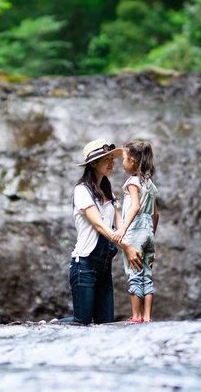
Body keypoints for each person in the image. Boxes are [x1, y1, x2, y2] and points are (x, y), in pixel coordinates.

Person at [61, 139, 143, 324]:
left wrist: (140, 246)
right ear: (93, 163)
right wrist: (126, 249)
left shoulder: (107, 191)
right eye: (106, 159)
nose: (111, 163)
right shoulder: (82, 191)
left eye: (112, 159)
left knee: (105, 323)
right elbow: (99, 226)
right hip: (85, 267)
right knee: (82, 321)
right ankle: (51, 325)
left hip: (105, 269)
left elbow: (120, 224)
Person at [111, 141, 159, 323]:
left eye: (123, 159)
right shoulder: (149, 182)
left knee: (134, 273)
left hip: (135, 230)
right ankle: (147, 317)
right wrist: (151, 237)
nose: (121, 163)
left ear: (132, 161)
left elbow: (135, 206)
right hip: (148, 231)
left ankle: (137, 316)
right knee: (147, 276)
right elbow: (156, 214)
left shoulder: (132, 181)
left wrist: (123, 227)